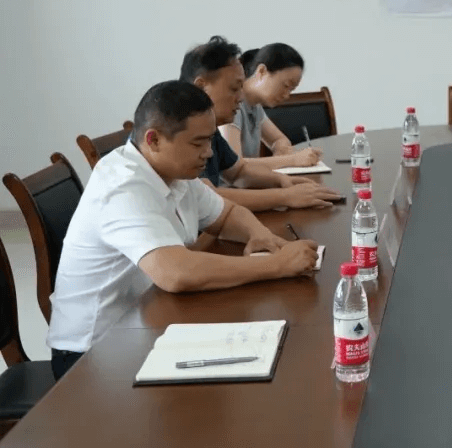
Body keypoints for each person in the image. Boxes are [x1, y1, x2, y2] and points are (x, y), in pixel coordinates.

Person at [47, 81, 321, 380]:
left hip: (145, 319)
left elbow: (228, 213)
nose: (208, 153)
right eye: (197, 143)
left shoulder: (173, 172)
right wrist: (277, 265)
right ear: (153, 140)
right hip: (93, 355)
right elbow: (176, 273)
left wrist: (259, 234)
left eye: (210, 141)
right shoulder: (122, 187)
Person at [180, 36, 341, 212]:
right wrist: (285, 196)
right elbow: (208, 197)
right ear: (201, 87)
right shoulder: (181, 132)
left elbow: (238, 172)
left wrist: (282, 181)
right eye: (234, 89)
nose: (240, 97)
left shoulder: (210, 129)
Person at [219, 43, 323, 169]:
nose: (287, 96)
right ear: (262, 71)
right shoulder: (232, 105)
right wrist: (291, 160)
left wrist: (281, 151)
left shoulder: (255, 106)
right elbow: (234, 165)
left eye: (291, 90)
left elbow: (279, 140)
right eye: (286, 86)